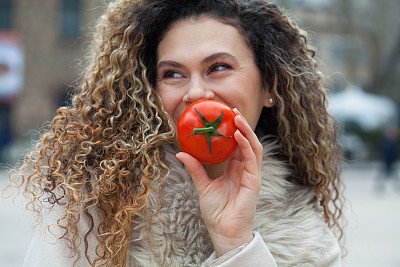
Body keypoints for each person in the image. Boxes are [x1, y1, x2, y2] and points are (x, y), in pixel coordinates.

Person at [4, 0, 344, 266]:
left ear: (269, 85)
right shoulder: (92, 209)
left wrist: (236, 246)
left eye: (219, 67)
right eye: (172, 74)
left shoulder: (310, 242)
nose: (195, 92)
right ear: (151, 91)